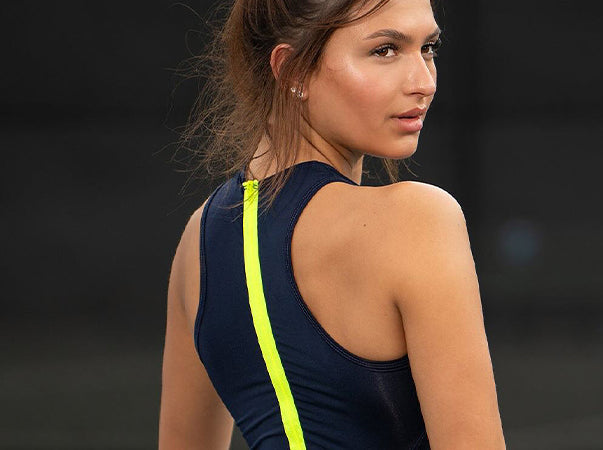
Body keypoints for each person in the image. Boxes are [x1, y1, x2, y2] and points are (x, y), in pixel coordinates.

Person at [158, 0, 505, 448]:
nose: (424, 82)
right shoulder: (417, 221)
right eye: (385, 50)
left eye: (429, 47)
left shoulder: (198, 239)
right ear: (292, 70)